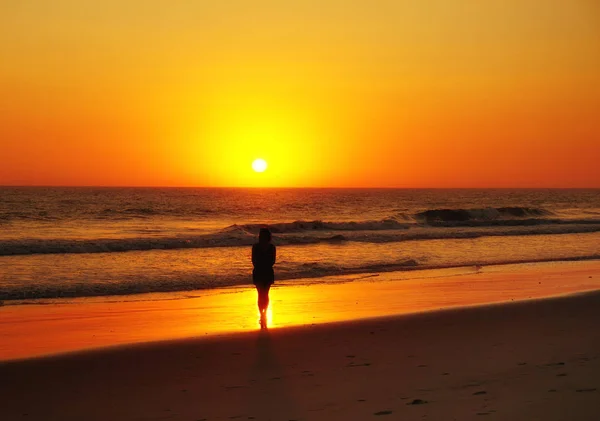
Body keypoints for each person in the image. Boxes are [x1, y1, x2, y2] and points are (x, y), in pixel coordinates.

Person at [252, 228, 276, 325]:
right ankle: (263, 313)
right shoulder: (270, 247)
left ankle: (263, 313)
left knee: (263, 294)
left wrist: (261, 265)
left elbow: (254, 261)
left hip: (262, 271)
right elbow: (271, 261)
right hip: (263, 271)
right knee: (263, 294)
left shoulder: (268, 247)